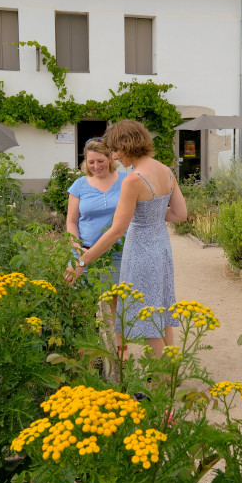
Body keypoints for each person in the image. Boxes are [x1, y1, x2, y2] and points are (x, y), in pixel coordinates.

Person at [65, 120, 187, 357]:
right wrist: (150, 215)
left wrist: (81, 262)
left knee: (148, 318)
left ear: (127, 144)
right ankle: (171, 376)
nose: (115, 156)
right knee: (160, 313)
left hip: (141, 252)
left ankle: (160, 386)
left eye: (115, 150)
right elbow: (180, 214)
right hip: (162, 249)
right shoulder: (165, 170)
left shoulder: (133, 179)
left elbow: (116, 231)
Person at [65, 138, 126, 315]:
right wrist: (77, 248)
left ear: (110, 159)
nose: (96, 166)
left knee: (117, 303)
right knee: (78, 302)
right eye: (91, 162)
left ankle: (119, 343)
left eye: (101, 161)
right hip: (84, 250)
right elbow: (71, 221)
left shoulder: (126, 180)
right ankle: (86, 342)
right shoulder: (79, 185)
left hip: (118, 252)